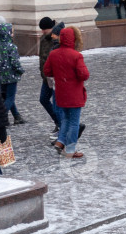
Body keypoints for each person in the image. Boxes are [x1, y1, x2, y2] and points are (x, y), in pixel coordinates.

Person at [44, 27, 89, 159]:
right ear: (73, 39)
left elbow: (47, 71)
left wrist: (59, 74)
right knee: (74, 122)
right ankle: (70, 150)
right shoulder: (76, 56)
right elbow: (84, 75)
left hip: (61, 93)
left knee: (65, 119)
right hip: (74, 94)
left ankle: (60, 142)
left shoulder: (54, 54)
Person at [0, 22, 26, 126]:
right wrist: (21, 70)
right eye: (11, 32)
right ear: (7, 33)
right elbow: (15, 62)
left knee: (7, 97)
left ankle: (17, 116)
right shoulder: (12, 47)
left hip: (2, 76)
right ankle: (0, 117)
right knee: (10, 98)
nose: (12, 34)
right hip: (11, 77)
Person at [38, 17, 60, 138]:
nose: (42, 31)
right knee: (43, 99)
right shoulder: (43, 38)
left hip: (55, 77)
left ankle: (62, 126)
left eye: (44, 29)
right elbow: (42, 57)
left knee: (57, 105)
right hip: (46, 77)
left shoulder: (56, 38)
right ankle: (58, 122)